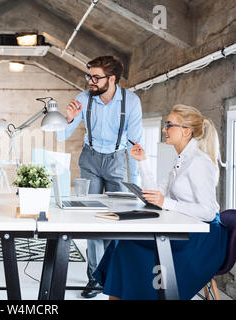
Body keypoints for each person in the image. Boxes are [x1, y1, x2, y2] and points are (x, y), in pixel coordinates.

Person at [93, 104, 228, 300]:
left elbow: (207, 212)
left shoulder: (199, 162)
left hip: (202, 239)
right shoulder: (182, 158)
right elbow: (158, 193)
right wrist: (142, 161)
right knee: (122, 241)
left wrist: (167, 203)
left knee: (126, 244)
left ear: (186, 131)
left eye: (169, 125)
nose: (164, 129)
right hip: (186, 228)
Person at [56, 56, 143, 298]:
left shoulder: (131, 102)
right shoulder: (84, 99)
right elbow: (61, 137)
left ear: (111, 79)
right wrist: (70, 118)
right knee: (91, 216)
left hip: (118, 160)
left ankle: (115, 273)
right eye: (89, 76)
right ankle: (95, 278)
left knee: (119, 219)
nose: (90, 81)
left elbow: (136, 143)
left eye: (96, 77)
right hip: (91, 159)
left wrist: (135, 183)